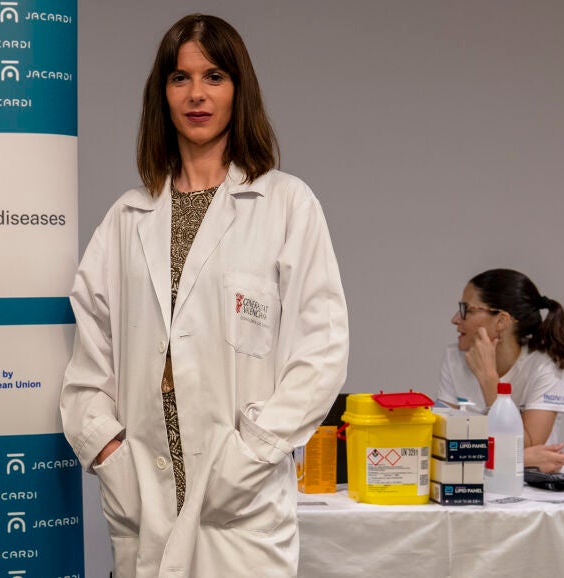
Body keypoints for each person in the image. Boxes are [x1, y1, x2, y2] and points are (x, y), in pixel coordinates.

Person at [61, 14, 348, 577]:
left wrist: (251, 455)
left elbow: (321, 355)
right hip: (143, 495)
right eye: (180, 77)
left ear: (239, 90)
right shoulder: (126, 218)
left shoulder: (285, 205)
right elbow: (88, 363)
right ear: (162, 94)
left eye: (214, 76)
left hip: (238, 505)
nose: (197, 94)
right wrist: (108, 453)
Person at [439, 268, 564, 471]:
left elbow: (528, 444)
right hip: (469, 482)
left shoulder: (544, 366)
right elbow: (442, 444)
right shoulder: (455, 358)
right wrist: (523, 458)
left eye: (466, 310)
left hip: (529, 488)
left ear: (501, 321)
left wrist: (489, 380)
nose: (455, 319)